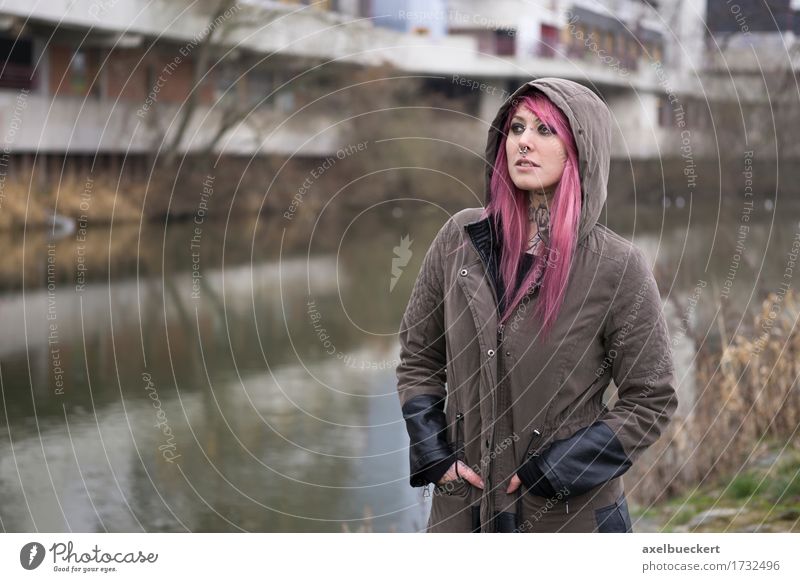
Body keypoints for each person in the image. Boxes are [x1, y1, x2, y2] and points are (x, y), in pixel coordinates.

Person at [395, 77, 678, 533]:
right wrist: (434, 454)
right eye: (517, 128)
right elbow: (418, 358)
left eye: (545, 131)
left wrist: (556, 472)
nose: (524, 141)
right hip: (461, 516)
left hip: (567, 520)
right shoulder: (459, 239)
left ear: (578, 152)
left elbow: (651, 398)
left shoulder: (616, 266)